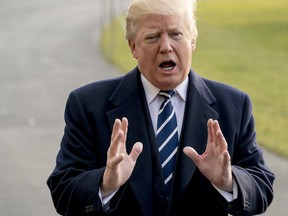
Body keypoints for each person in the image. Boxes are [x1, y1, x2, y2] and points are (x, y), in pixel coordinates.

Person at [47, 0, 275, 215]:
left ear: (193, 40)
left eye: (176, 34)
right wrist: (105, 183)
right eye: (152, 37)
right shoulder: (88, 105)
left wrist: (227, 180)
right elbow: (63, 190)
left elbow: (261, 184)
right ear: (133, 47)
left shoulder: (234, 105)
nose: (165, 47)